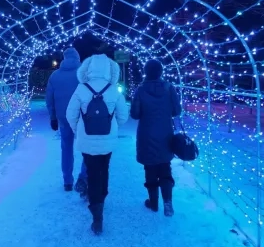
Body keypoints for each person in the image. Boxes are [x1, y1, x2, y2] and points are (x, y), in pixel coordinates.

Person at [66, 54, 129, 235]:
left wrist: (79, 130)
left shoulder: (81, 88)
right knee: (104, 169)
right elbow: (123, 116)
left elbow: (71, 114)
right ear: (110, 69)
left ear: (89, 68)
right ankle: (102, 200)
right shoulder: (113, 89)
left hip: (87, 141)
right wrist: (113, 126)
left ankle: (97, 215)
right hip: (107, 141)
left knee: (92, 173)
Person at [130, 59, 182, 217]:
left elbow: (135, 114)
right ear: (160, 72)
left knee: (150, 167)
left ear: (146, 72)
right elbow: (176, 110)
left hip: (146, 133)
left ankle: (153, 202)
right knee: (165, 167)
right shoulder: (169, 88)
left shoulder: (140, 90)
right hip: (165, 133)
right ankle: (167, 202)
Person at [46, 48, 88, 194]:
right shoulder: (84, 74)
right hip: (83, 117)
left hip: (63, 118)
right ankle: (84, 177)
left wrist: (52, 117)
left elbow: (49, 98)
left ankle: (67, 181)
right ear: (77, 57)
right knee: (87, 149)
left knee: (66, 148)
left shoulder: (54, 76)